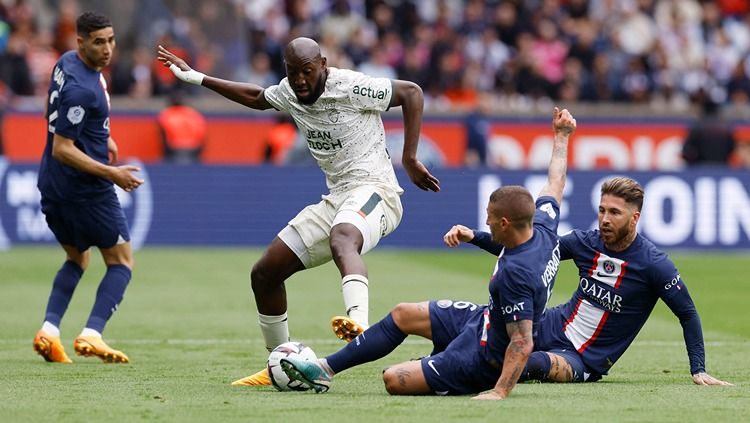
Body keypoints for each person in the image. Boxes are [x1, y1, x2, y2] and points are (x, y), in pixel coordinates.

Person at [156, 37, 441, 385]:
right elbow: (257, 97)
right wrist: (198, 78)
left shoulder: (351, 86)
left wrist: (409, 158)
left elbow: (411, 92)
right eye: (293, 74)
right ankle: (281, 361)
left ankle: (359, 323)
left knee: (343, 237)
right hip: (338, 198)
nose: (301, 81)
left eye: (307, 71)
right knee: (264, 273)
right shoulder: (290, 92)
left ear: (322, 64)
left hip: (376, 191)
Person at [280, 107, 575, 398]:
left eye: (490, 218)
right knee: (403, 314)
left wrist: (499, 392)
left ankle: (443, 364)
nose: (486, 221)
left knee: (394, 379)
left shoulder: (516, 274)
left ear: (506, 223)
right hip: (483, 320)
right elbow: (556, 181)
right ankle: (324, 369)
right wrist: (561, 136)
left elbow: (522, 342)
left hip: (484, 359)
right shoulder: (544, 227)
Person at [513, 176, 732, 386]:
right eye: (602, 210)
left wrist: (698, 369)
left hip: (581, 359)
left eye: (614, 212)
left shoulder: (654, 264)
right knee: (486, 331)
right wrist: (477, 236)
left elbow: (688, 313)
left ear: (634, 218)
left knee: (534, 364)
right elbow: (532, 251)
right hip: (549, 325)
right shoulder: (585, 243)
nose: (605, 219)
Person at [33, 11, 144, 364]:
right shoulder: (83, 90)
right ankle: (92, 333)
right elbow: (62, 148)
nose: (108, 49)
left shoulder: (65, 63)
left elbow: (60, 120)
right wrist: (112, 174)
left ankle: (49, 331)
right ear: (80, 41)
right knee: (122, 262)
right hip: (85, 190)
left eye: (111, 40)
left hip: (52, 184)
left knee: (77, 258)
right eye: (98, 42)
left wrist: (103, 137)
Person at [157, 89, 207, 164]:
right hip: (194, 148)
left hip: (173, 149)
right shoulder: (194, 114)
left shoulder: (166, 114)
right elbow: (202, 134)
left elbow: (163, 135)